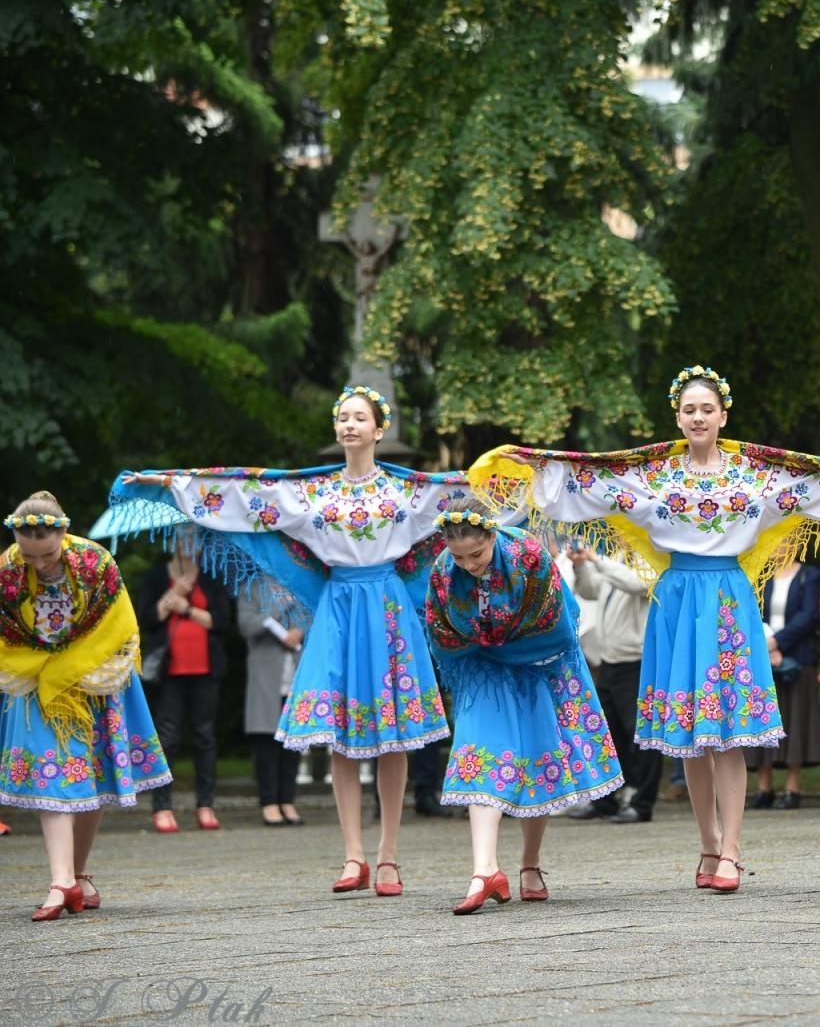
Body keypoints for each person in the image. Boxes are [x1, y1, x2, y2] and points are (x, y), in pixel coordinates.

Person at [469, 364, 820, 892]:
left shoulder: (756, 474)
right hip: (676, 600)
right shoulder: (651, 475)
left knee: (727, 733)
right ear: (678, 418)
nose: (699, 416)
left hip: (728, 600)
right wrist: (535, 466)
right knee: (693, 737)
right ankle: (707, 844)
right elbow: (591, 480)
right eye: (690, 410)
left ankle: (731, 850)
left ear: (724, 415)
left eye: (708, 409)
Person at [113, 385, 479, 899]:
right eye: (342, 417)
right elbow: (242, 493)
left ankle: (389, 855)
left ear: (379, 429)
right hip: (339, 607)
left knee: (394, 736)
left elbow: (474, 493)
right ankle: (353, 855)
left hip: (388, 607)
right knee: (340, 733)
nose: (350, 424)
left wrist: (527, 479)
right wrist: (167, 483)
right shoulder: (310, 493)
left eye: (360, 418)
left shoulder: (409, 492)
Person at [425, 503, 623, 913]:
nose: (468, 566)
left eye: (475, 555)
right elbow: (441, 628)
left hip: (540, 660)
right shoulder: (445, 570)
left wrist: (506, 641)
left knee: (537, 755)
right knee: (478, 754)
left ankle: (529, 864)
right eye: (459, 556)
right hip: (480, 664)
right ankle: (484, 871)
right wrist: (481, 641)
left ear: (493, 536)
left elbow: (555, 624)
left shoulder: (529, 557)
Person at [0, 494, 172, 920]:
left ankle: (77, 874)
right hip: (38, 676)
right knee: (52, 769)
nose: (38, 564)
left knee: (93, 773)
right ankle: (62, 882)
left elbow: (117, 622)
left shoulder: (96, 563)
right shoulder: (7, 568)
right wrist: (42, 663)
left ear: (63, 534)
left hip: (96, 673)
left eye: (47, 554)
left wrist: (78, 664)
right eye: (28, 555)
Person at [137, 536, 232, 833]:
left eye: (194, 537)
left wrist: (188, 608)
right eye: (183, 537)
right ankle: (162, 807)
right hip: (169, 672)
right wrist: (173, 595)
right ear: (174, 541)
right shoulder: (156, 576)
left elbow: (223, 621)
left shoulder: (212, 575)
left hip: (206, 669)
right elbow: (147, 620)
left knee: (205, 737)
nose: (188, 543)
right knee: (167, 738)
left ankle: (205, 804)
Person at [566, 543, 659, 823]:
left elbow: (636, 584)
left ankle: (642, 804)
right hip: (609, 661)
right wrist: (582, 565)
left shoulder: (652, 558)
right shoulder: (618, 558)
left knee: (641, 735)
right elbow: (591, 590)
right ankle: (605, 800)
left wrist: (596, 558)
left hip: (637, 661)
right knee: (605, 733)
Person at [749, 556, 820, 809]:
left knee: (796, 720)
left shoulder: (809, 574)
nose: (780, 546)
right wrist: (767, 645)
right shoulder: (761, 574)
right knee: (762, 719)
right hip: (762, 657)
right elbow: (752, 611)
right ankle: (764, 787)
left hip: (797, 657)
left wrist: (778, 643)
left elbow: (808, 616)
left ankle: (792, 788)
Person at [238, 590, 305, 826]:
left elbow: (313, 613)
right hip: (265, 676)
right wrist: (278, 608)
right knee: (265, 741)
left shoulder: (296, 581)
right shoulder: (252, 587)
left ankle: (288, 800)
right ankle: (268, 802)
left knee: (293, 742)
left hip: (296, 674)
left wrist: (300, 631)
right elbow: (246, 624)